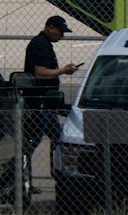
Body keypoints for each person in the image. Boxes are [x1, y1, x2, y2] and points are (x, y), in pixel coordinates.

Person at [24, 15, 81, 164]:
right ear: (50, 28)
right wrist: (64, 70)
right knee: (32, 142)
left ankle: (59, 168)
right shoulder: (40, 44)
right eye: (60, 31)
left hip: (46, 104)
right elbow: (40, 72)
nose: (62, 36)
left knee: (57, 137)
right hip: (40, 103)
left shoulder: (44, 44)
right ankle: (14, 173)